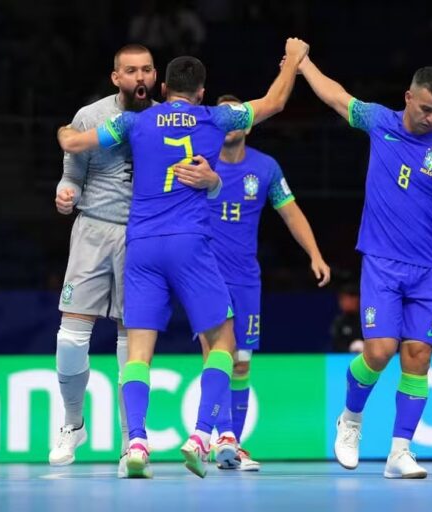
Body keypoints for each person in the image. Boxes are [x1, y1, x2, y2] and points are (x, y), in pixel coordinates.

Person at [58, 37, 310, 479]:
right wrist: (291, 60)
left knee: (137, 352)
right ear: (200, 91)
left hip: (142, 246)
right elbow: (275, 100)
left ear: (163, 84)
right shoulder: (216, 117)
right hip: (190, 244)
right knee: (224, 343)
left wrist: (64, 134)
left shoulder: (133, 122)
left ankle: (136, 443)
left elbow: (79, 143)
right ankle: (200, 435)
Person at [297, 58, 432, 478]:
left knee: (418, 356)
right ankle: (351, 420)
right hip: (382, 261)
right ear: (408, 98)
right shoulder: (379, 121)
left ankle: (400, 452)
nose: (430, 118)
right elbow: (336, 97)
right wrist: (303, 64)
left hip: (430, 267)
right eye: (425, 108)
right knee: (379, 351)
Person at [50, 44, 196, 478]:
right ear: (116, 77)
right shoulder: (90, 117)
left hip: (145, 238)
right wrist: (66, 193)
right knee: (71, 337)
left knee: (130, 346)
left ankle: (128, 442)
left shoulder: (169, 119)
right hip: (94, 231)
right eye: (130, 71)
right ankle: (72, 423)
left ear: (156, 77)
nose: (140, 78)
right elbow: (72, 173)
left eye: (147, 70)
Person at [199, 94, 331, 471]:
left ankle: (232, 446)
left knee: (241, 363)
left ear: (250, 122)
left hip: (245, 279)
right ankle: (222, 436)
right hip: (206, 276)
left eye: (239, 115)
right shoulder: (198, 163)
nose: (233, 121)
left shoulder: (266, 168)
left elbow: (291, 213)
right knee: (218, 356)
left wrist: (315, 255)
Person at [330, 282, 363, 353]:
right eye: (342, 299)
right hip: (344, 359)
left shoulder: (368, 320)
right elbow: (336, 345)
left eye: (349, 299)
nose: (345, 302)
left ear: (357, 300)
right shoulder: (339, 322)